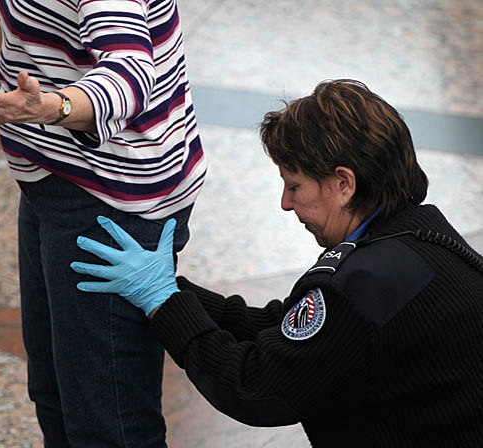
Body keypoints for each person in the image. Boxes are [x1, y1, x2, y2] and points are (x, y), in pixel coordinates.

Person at [71, 80, 483, 447]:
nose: (286, 203)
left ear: (343, 184)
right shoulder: (420, 239)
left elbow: (257, 388)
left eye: (294, 184)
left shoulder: (367, 282)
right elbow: (291, 330)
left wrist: (162, 304)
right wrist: (175, 292)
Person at [0, 0, 206, 446]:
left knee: (109, 424)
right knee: (57, 398)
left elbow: (130, 74)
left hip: (110, 201)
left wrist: (52, 107)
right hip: (55, 176)